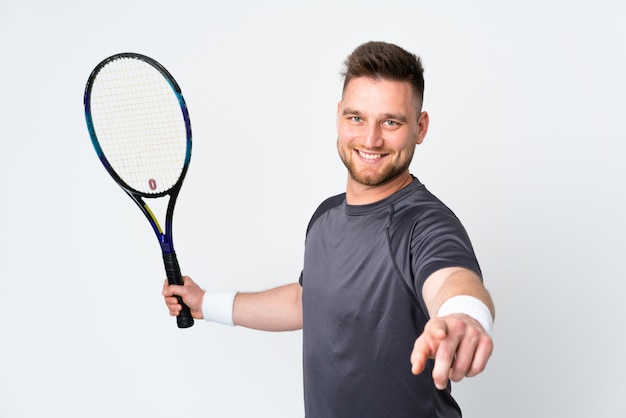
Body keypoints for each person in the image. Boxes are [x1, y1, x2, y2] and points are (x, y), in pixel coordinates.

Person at [163, 41, 495, 417]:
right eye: (357, 118)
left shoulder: (424, 223)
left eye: (391, 122)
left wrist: (463, 317)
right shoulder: (325, 217)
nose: (370, 139)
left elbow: (452, 279)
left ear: (420, 128)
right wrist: (206, 303)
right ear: (339, 116)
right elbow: (307, 301)